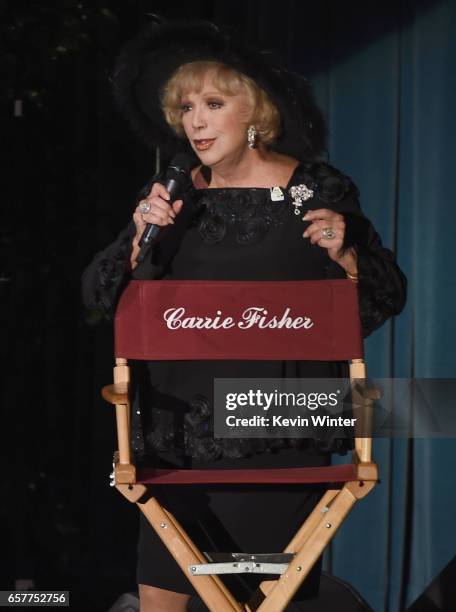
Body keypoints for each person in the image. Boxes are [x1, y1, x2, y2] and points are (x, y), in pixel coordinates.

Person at [82, 19, 406, 612]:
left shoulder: (317, 188)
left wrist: (346, 252)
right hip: (173, 435)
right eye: (185, 107)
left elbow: (382, 297)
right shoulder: (173, 195)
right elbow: (100, 294)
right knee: (162, 598)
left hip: (273, 426)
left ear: (254, 111)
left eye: (213, 102)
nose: (195, 121)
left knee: (261, 601)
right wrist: (137, 237)